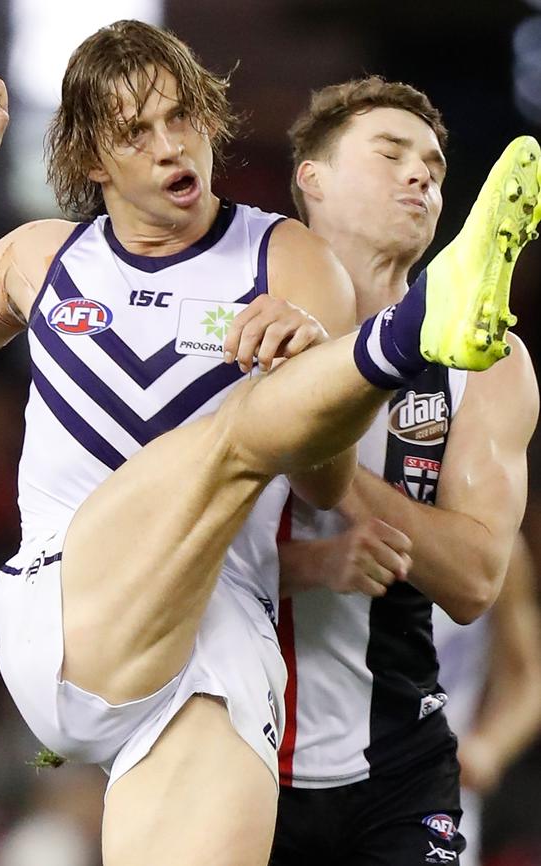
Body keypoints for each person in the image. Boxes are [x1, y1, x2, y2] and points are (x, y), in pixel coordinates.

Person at [0, 27, 539, 866]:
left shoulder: (288, 258)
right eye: (137, 133)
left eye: (183, 119)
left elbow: (321, 481)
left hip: (216, 661)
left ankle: (387, 345)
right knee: (231, 435)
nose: (172, 147)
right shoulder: (41, 259)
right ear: (92, 158)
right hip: (70, 608)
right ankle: (414, 331)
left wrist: (310, 362)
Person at [269, 77, 540, 866]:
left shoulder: (488, 363)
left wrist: (305, 430)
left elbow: (474, 579)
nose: (420, 173)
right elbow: (158, 557)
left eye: (434, 163)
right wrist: (314, 562)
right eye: (389, 154)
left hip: (401, 758)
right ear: (310, 180)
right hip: (239, 746)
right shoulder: (237, 323)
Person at [433, 533, 541, 866]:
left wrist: (490, 747)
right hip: (326, 773)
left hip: (441, 791)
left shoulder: (500, 544)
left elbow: (529, 679)